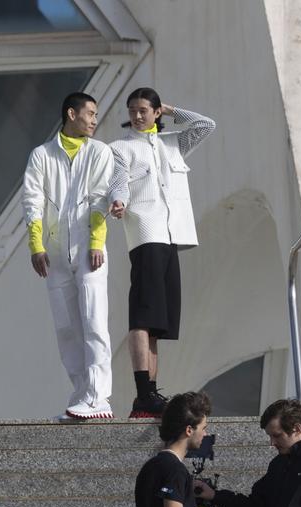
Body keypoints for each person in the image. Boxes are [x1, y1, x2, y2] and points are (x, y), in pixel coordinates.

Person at [107, 88, 216, 418]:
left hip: (172, 235)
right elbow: (118, 181)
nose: (137, 115)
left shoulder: (173, 143)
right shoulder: (120, 147)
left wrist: (169, 109)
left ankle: (151, 392)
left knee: (158, 322)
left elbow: (205, 125)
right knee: (143, 313)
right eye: (132, 110)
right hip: (145, 231)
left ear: (156, 112)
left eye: (143, 110)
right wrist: (119, 200)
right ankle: (143, 392)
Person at [22, 91, 116, 420]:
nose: (94, 120)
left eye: (95, 114)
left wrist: (95, 241)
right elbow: (32, 201)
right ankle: (81, 395)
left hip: (91, 251)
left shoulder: (100, 152)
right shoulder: (42, 155)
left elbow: (100, 198)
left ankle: (98, 396)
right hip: (56, 254)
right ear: (71, 113)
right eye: (90, 113)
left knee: (93, 322)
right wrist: (36, 246)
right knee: (66, 328)